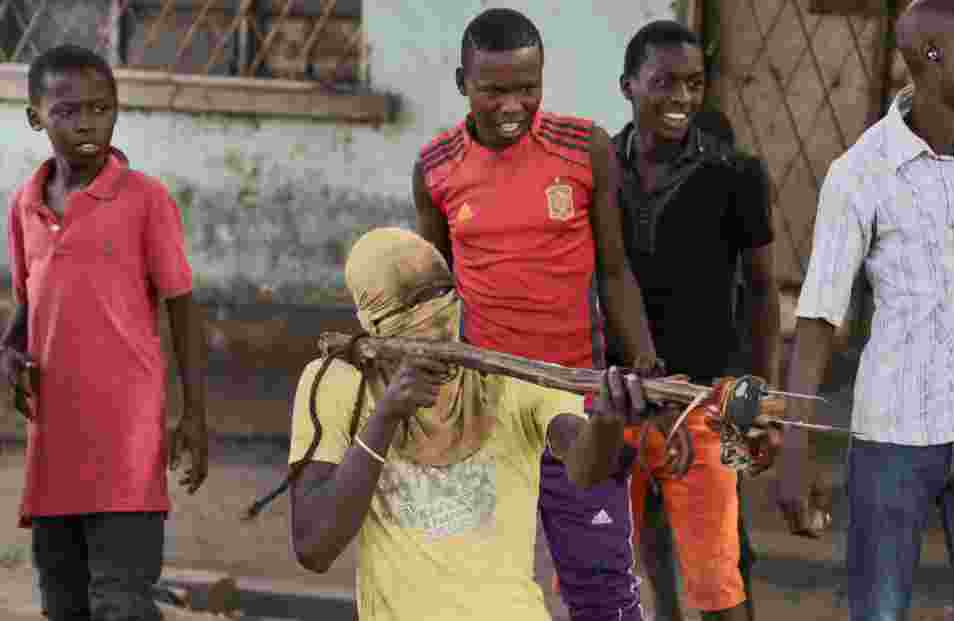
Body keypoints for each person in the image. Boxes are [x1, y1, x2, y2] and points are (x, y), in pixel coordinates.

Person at [412, 8, 659, 621]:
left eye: (528, 87)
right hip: (484, 415)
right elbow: (433, 297)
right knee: (482, 594)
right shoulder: (436, 168)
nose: (513, 104)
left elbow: (614, 269)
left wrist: (645, 362)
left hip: (575, 403)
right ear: (462, 83)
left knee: (602, 592)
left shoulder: (584, 148)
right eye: (494, 89)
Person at [782, 1, 954, 619]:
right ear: (933, 57)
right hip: (895, 435)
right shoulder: (862, 173)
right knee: (878, 612)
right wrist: (794, 451)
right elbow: (817, 317)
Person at [286, 227, 657, 621]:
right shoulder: (341, 383)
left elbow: (587, 469)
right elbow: (314, 547)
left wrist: (608, 418)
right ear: (372, 320)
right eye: (413, 303)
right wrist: (387, 414)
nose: (435, 312)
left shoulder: (510, 378)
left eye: (443, 293)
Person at [1, 44, 208, 621]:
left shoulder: (145, 200)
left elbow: (182, 307)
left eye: (101, 108)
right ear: (35, 116)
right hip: (55, 442)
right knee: (63, 601)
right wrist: (10, 351)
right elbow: (30, 303)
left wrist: (194, 414)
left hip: (127, 439)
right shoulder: (26, 205)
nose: (87, 122)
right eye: (68, 110)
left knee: (120, 598)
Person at [612, 22, 781, 621]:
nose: (682, 98)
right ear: (628, 85)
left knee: (727, 556)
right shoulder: (600, 172)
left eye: (694, 84)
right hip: (623, 392)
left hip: (714, 393)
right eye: (664, 83)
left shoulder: (735, 176)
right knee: (640, 536)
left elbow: (762, 293)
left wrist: (759, 402)